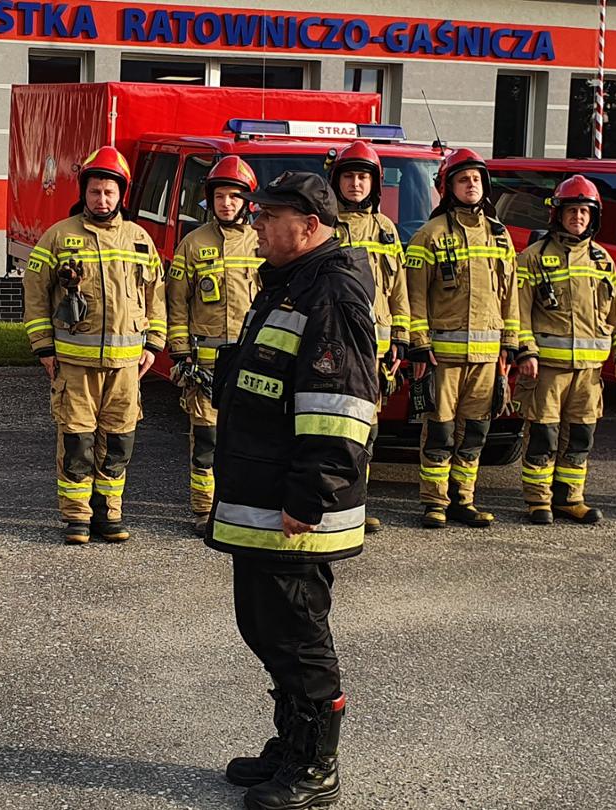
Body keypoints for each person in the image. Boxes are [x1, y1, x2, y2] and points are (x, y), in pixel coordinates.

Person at [205, 171, 377, 809]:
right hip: (264, 502)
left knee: (298, 635)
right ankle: (291, 744)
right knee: (266, 626)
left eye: (267, 216)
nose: (254, 224)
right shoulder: (291, 284)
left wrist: (310, 497)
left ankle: (315, 765)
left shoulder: (331, 293)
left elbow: (341, 408)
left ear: (307, 226)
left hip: (295, 510)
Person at [20, 146, 166, 544]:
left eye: (109, 193)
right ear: (84, 193)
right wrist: (44, 348)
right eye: (95, 192)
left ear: (122, 195)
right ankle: (77, 518)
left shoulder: (139, 239)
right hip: (74, 364)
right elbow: (34, 293)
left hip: (126, 366)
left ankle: (109, 514)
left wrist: (154, 343)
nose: (102, 199)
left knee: (118, 442)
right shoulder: (59, 236)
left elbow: (157, 295)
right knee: (77, 442)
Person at [403, 148, 520, 529]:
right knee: (439, 431)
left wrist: (510, 345)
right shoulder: (429, 236)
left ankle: (463, 501)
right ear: (447, 187)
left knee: (475, 432)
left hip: (487, 358)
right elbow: (414, 296)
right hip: (442, 358)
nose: (471, 185)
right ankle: (434, 503)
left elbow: (510, 296)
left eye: (476, 179)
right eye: (462, 179)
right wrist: (418, 343)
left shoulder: (500, 237)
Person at [512, 175, 616, 524]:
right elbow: (518, 310)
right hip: (547, 370)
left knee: (580, 436)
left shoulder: (601, 261)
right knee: (543, 434)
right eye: (572, 211)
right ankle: (538, 501)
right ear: (558, 214)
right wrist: (526, 351)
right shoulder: (534, 257)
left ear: (593, 217)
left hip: (590, 372)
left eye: (584, 212)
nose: (578, 217)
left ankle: (570, 498)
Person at [166, 155, 263, 537]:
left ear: (246, 202)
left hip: (253, 359)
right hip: (205, 364)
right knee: (206, 439)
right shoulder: (192, 244)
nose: (227, 203)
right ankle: (206, 511)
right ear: (210, 199)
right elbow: (175, 303)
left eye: (234, 197)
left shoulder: (262, 242)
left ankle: (244, 507)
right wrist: (179, 350)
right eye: (221, 196)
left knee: (251, 438)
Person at [327, 142, 409, 534]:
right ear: (336, 181)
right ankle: (325, 503)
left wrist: (403, 338)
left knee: (366, 432)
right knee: (327, 427)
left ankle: (355, 505)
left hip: (372, 352)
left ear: (374, 184)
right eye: (349, 176)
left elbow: (397, 290)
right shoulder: (322, 224)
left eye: (363, 177)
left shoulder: (386, 230)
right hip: (330, 347)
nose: (356, 183)